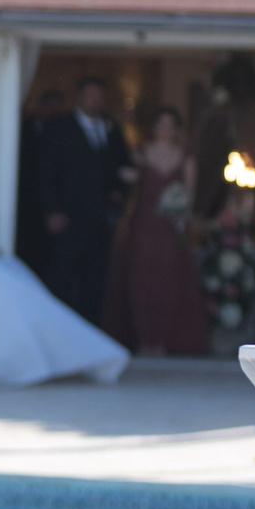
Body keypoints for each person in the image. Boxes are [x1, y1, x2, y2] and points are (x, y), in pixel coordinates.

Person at [102, 108, 213, 356]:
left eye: (170, 124)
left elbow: (189, 194)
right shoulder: (140, 153)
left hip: (170, 228)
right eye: (161, 123)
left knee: (168, 281)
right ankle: (143, 340)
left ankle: (162, 340)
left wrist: (183, 217)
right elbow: (123, 180)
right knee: (140, 279)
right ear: (154, 127)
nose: (165, 129)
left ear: (176, 129)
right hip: (143, 225)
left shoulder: (185, 158)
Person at [40, 75, 131, 325]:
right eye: (90, 95)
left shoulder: (112, 129)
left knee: (95, 283)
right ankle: (57, 332)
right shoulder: (58, 128)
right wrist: (52, 210)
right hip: (68, 219)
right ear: (79, 97)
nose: (95, 101)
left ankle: (90, 337)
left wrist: (118, 197)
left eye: (99, 96)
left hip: (100, 221)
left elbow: (124, 168)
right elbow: (45, 172)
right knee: (62, 279)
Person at [15, 88, 67, 288]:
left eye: (57, 109)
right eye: (50, 108)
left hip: (51, 206)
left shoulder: (61, 134)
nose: (53, 113)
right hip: (25, 204)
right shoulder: (23, 130)